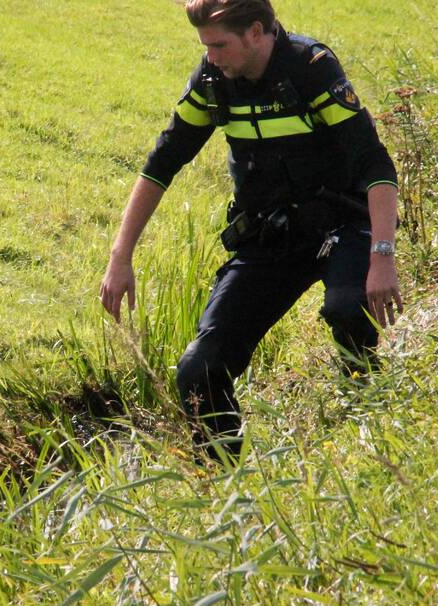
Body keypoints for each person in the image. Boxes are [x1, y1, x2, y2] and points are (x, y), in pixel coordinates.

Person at [99, 0, 403, 457]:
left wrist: (382, 256)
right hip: (269, 237)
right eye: (205, 46)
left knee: (347, 308)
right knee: (198, 369)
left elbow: (374, 163)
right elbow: (162, 164)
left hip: (342, 225)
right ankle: (222, 485)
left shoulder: (310, 69)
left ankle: (370, 426)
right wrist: (120, 257)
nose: (211, 56)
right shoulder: (211, 81)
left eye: (219, 45)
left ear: (256, 32)